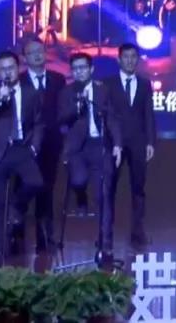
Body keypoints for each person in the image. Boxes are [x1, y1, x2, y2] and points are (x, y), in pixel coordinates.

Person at [0, 51, 44, 263]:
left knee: (35, 182)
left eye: (11, 68)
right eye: (3, 69)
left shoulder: (31, 92)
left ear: (19, 68)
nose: (8, 72)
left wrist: (34, 147)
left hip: (21, 148)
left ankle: (16, 208)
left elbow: (39, 122)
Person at [58, 53, 122, 261]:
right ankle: (80, 197)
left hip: (100, 146)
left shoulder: (103, 90)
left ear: (91, 69)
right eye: (75, 68)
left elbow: (112, 118)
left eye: (83, 68)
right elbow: (61, 119)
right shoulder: (67, 92)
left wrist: (117, 144)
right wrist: (77, 107)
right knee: (78, 180)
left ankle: (106, 244)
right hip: (77, 149)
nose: (79, 72)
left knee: (104, 195)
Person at [104, 43, 156, 253]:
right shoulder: (108, 84)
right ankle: (105, 233)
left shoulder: (144, 84)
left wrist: (150, 142)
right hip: (114, 144)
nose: (130, 60)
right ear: (119, 59)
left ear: (138, 59)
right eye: (126, 57)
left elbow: (148, 114)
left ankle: (137, 231)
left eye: (134, 56)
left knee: (138, 189)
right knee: (109, 188)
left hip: (138, 142)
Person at [20, 38, 65, 252]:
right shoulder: (19, 81)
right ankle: (17, 235)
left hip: (51, 142)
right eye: (32, 52)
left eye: (40, 50)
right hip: (25, 144)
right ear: (24, 58)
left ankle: (45, 237)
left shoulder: (58, 79)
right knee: (25, 187)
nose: (37, 55)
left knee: (47, 188)